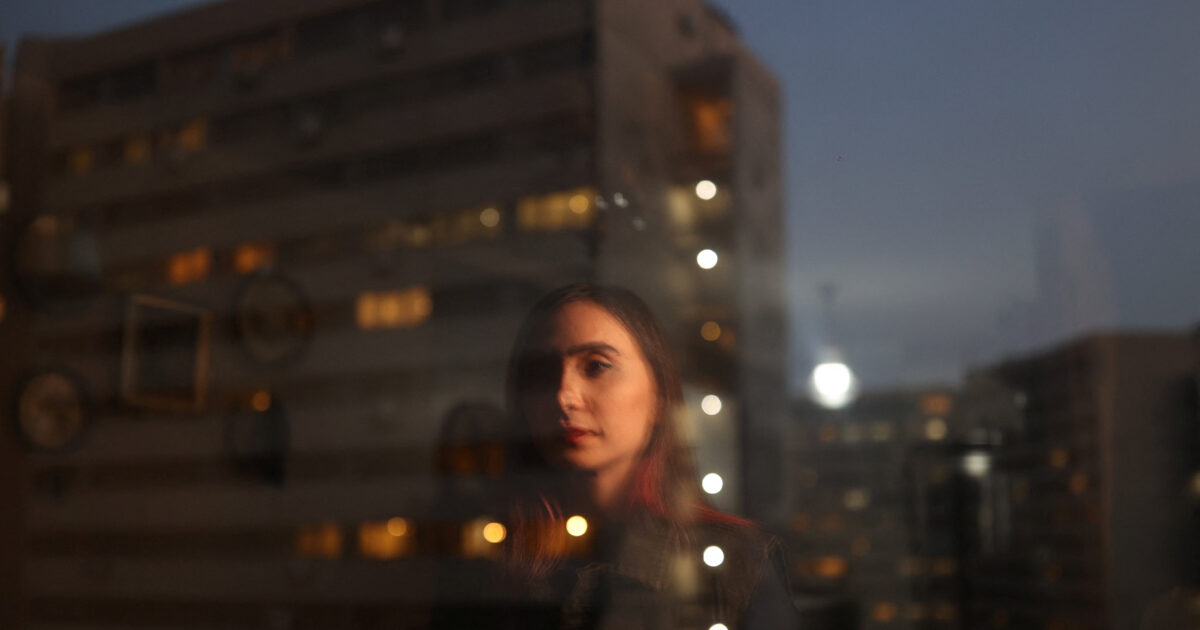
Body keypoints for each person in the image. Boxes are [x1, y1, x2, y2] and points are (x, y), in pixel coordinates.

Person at [485, 282, 799, 630]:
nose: (564, 396)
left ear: (658, 394)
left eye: (597, 366)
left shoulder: (735, 562)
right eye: (543, 373)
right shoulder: (492, 557)